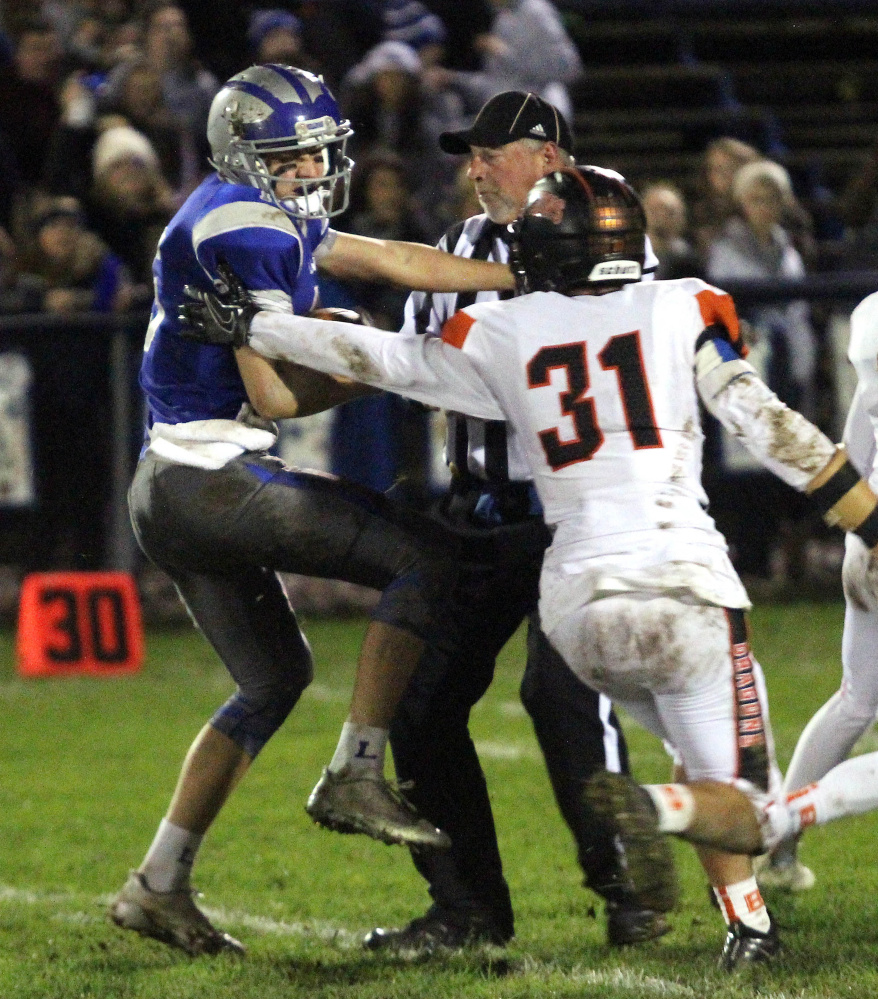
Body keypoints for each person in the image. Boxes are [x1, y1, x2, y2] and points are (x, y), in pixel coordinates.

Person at [177, 165, 878, 971]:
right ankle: (656, 812)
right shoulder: (683, 305)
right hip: (686, 589)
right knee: (751, 806)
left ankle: (749, 929)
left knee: (693, 741)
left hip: (577, 609)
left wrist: (258, 327)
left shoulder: (506, 331)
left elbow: (382, 358)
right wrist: (872, 521)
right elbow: (772, 428)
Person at [187, 91, 668, 953]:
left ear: (551, 157)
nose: (474, 168)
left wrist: (281, 331)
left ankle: (627, 881)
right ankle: (467, 910)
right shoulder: (459, 248)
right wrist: (293, 352)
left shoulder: (603, 225)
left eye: (493, 152)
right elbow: (403, 367)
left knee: (560, 693)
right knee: (416, 701)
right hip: (480, 513)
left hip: (579, 514)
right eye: (469, 153)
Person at [107, 62, 516, 958]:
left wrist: (510, 279)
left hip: (164, 485)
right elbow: (279, 397)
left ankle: (158, 883)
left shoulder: (240, 210)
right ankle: (357, 769)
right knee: (426, 559)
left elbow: (390, 257)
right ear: (248, 154)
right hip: (213, 479)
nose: (313, 170)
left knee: (271, 681)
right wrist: (372, 367)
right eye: (297, 156)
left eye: (320, 153)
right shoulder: (245, 234)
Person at [756, 289, 878, 891]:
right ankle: (784, 817)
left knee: (856, 699)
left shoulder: (872, 318)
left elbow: (855, 444)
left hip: (869, 526)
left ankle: (778, 845)